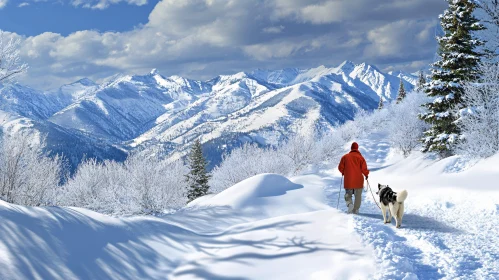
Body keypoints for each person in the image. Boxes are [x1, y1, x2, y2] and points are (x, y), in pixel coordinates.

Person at [338, 142, 369, 214]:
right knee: (358, 196)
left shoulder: (345, 157)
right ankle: (356, 209)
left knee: (348, 195)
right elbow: (364, 169)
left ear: (351, 148)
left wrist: (344, 172)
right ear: (357, 148)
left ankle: (350, 204)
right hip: (358, 181)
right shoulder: (361, 158)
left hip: (348, 180)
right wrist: (366, 175)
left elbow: (340, 167)